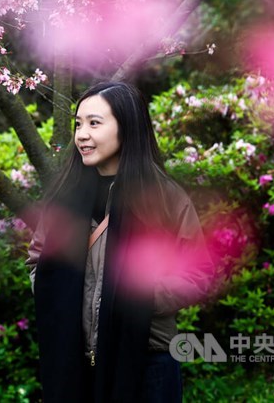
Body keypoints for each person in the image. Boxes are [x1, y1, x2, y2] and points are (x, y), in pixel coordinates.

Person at [27, 82, 213, 403]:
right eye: (78, 124)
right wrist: (56, 296)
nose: (82, 134)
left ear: (126, 127)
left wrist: (141, 300)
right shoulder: (65, 198)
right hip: (73, 360)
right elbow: (39, 260)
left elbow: (198, 273)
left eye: (94, 123)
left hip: (147, 357)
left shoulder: (163, 197)